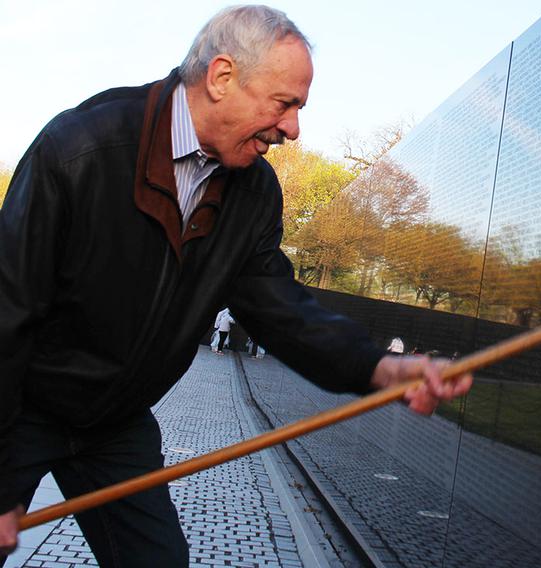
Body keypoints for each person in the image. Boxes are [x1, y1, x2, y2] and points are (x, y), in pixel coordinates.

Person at [0, 6, 472, 566]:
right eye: (285, 103)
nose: (294, 128)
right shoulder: (80, 148)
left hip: (114, 424)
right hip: (21, 410)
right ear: (222, 78)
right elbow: (8, 310)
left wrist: (379, 367)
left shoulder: (255, 192)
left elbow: (281, 308)